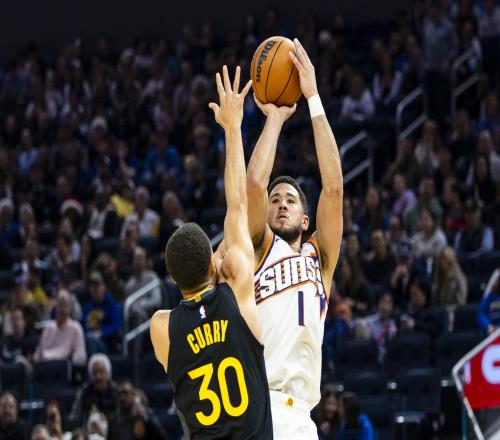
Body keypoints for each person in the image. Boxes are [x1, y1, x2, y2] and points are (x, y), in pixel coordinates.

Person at [150, 66, 272, 439]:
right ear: (212, 262)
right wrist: (233, 127)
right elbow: (238, 206)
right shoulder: (236, 293)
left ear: (173, 279)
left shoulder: (162, 328)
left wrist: (210, 266)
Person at [247, 39, 342, 438]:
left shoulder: (320, 259)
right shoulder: (259, 248)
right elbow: (254, 184)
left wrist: (313, 97)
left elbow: (333, 188)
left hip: (301, 416)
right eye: (275, 200)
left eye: (289, 200)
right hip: (257, 408)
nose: (281, 204)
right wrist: (275, 118)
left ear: (306, 219)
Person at [33, 289, 87, 366]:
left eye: (66, 305)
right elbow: (38, 353)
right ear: (56, 307)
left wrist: (71, 359)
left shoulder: (76, 327)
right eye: (60, 305)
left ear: (70, 308)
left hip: (64, 365)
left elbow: (81, 357)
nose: (63, 309)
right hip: (46, 365)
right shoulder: (48, 328)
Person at [70, 353, 117, 426]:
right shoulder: (84, 391)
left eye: (101, 372)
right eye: (95, 373)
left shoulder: (116, 391)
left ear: (108, 374)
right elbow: (75, 416)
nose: (98, 377)